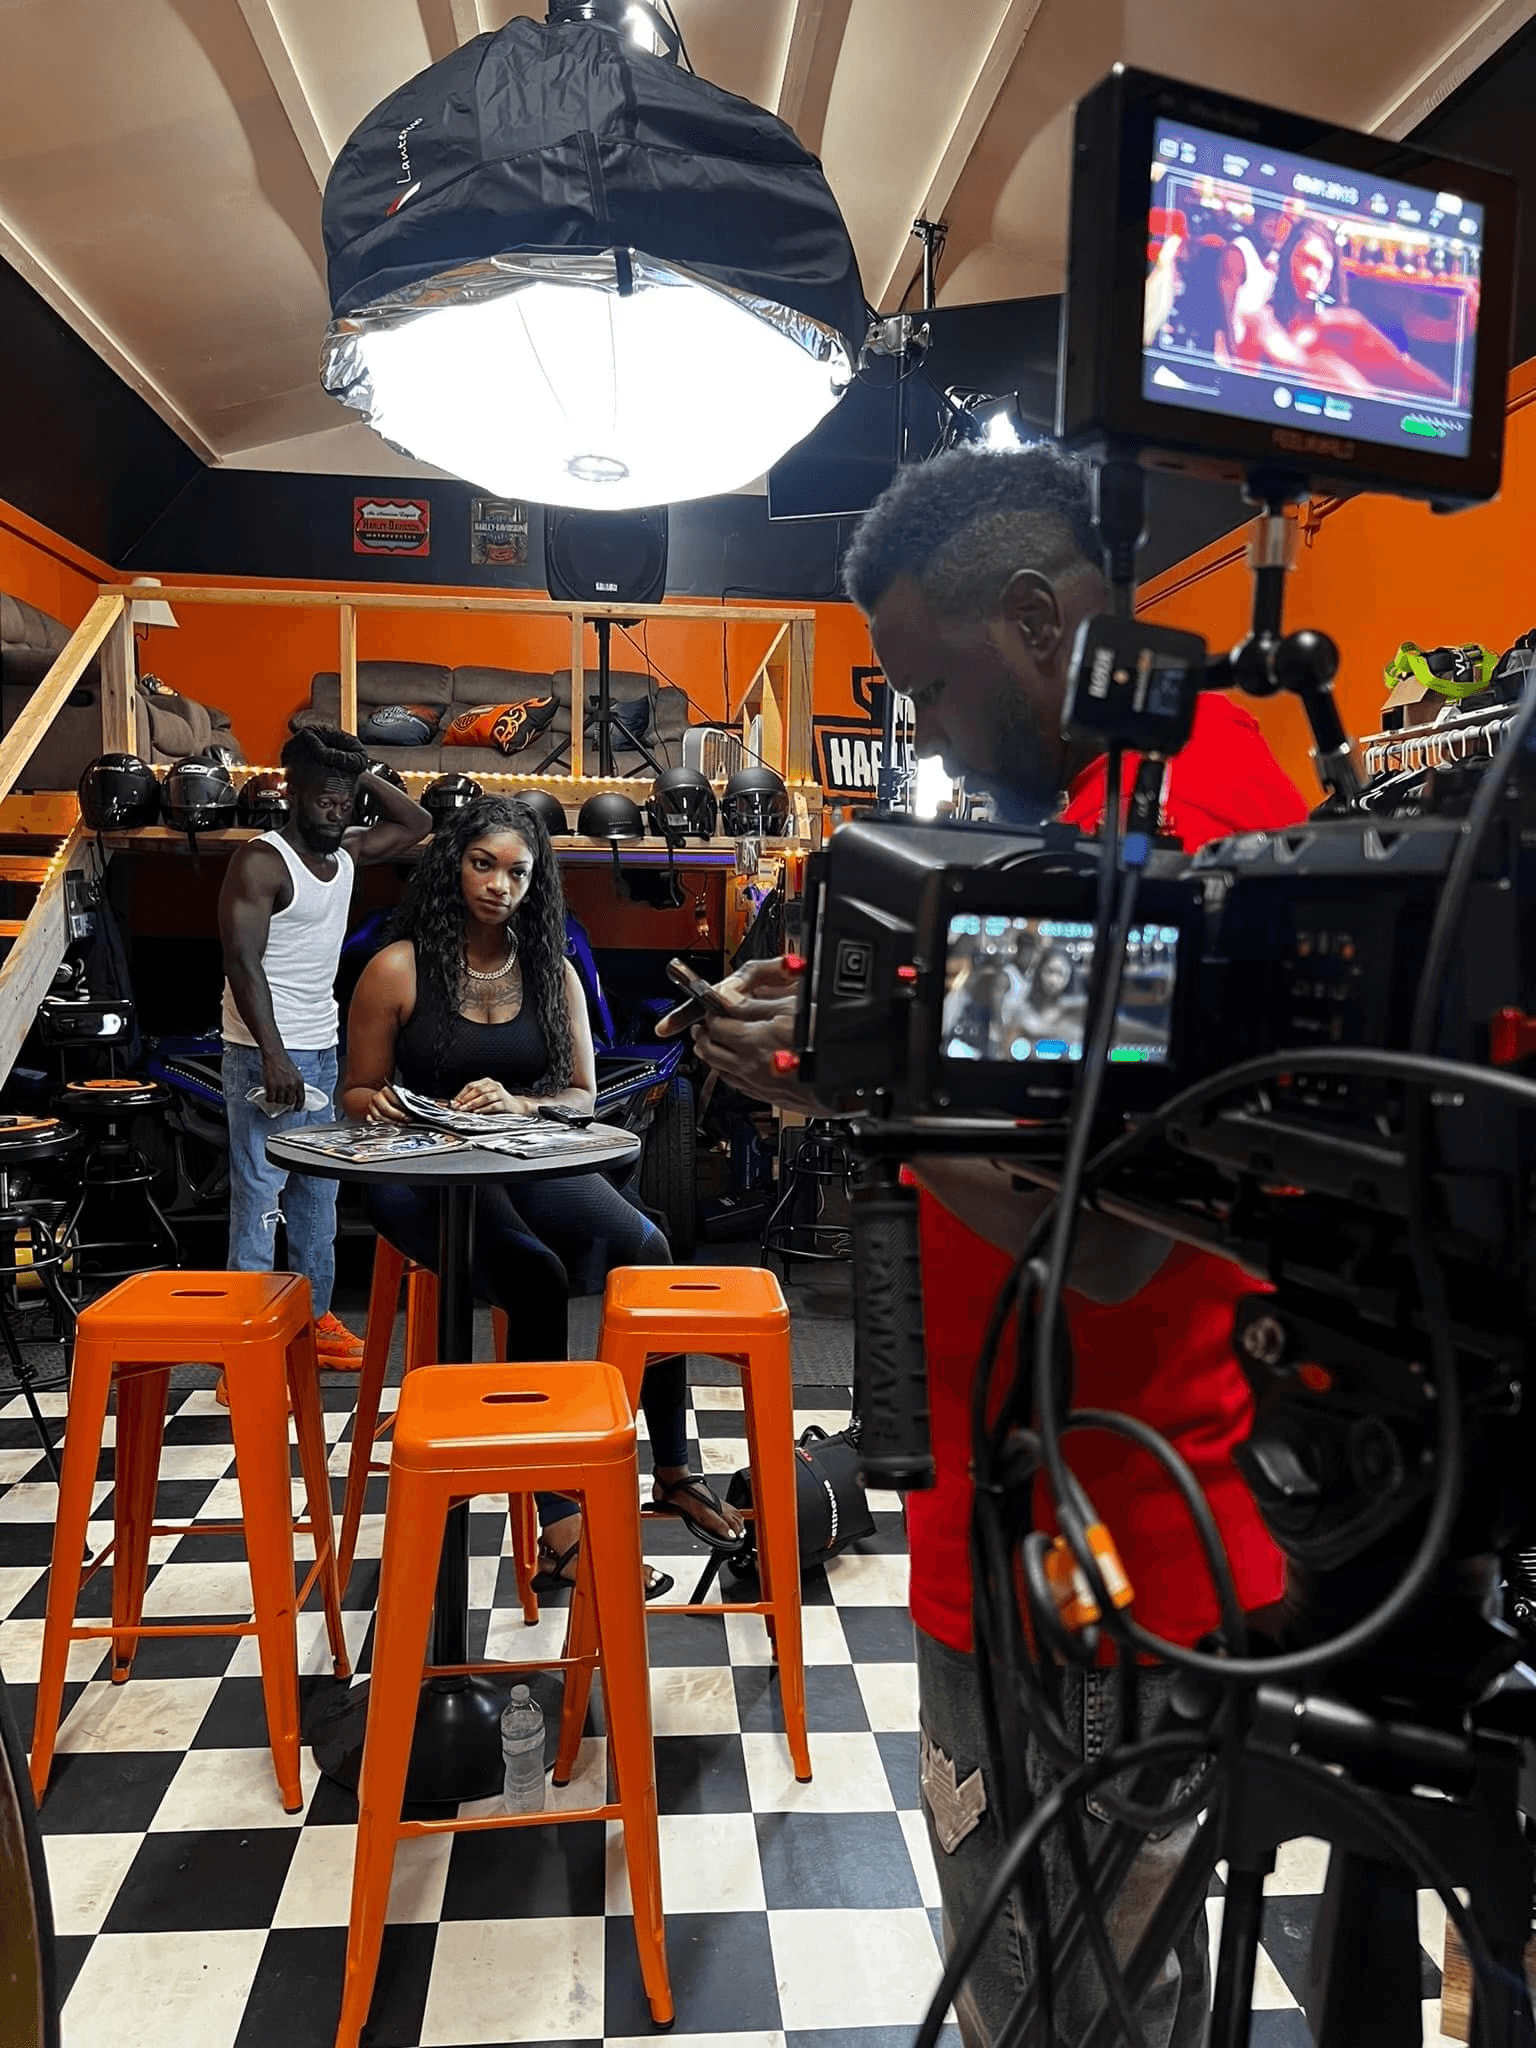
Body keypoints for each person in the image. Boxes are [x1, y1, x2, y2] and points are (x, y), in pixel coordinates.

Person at [661, 443, 1310, 2047]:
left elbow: (1101, 1233)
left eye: (930, 690)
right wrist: (838, 1027)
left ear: (1033, 619)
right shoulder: (1116, 803)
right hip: (1046, 1516)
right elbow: (1025, 1095)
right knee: (1096, 1996)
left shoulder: (1165, 821)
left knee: (1051, 2002)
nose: (925, 732)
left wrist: (827, 1083)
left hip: (1093, 1551)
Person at [341, 794, 744, 1594]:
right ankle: (560, 1526)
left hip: (525, 1158)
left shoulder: (551, 971)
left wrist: (519, 1105)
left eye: (517, 872)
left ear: (535, 882)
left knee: (649, 1244)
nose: (499, 885)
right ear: (454, 866)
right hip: (425, 1174)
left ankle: (671, 1468)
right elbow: (354, 1093)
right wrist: (384, 1102)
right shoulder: (398, 968)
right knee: (536, 1276)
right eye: (482, 864)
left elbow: (581, 1097)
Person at [221, 726, 431, 1369]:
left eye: (345, 801)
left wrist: (355, 772)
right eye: (323, 798)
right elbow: (242, 963)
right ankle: (248, 1347)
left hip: (319, 1048)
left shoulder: (348, 854)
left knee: (318, 1195)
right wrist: (274, 1054)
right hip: (263, 1055)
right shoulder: (262, 861)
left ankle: (312, 1322)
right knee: (261, 1196)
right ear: (293, 793)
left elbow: (418, 822)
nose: (336, 810)